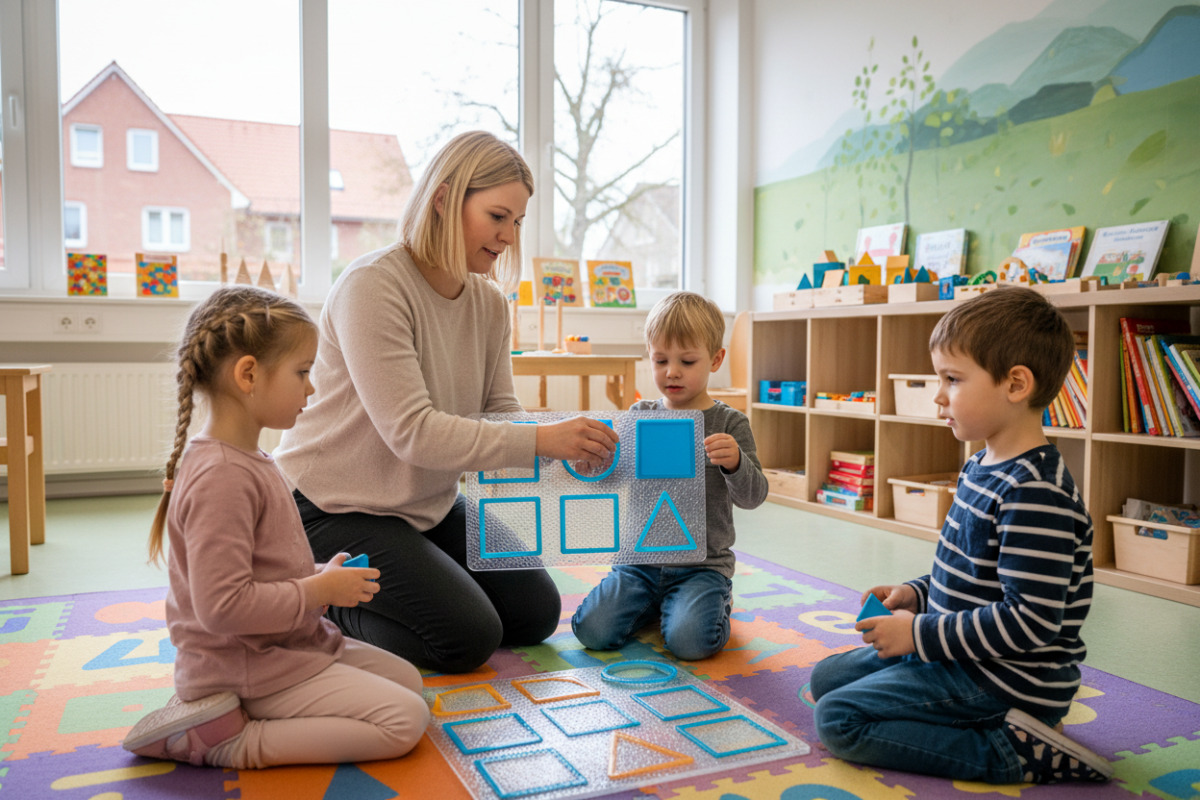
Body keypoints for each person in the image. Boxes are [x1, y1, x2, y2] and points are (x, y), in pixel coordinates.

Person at [274, 131, 618, 674]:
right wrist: (542, 438)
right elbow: (412, 432)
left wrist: (565, 443)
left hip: (424, 503)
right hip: (331, 505)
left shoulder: (487, 302)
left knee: (535, 613)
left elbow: (499, 411)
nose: (508, 236)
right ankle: (318, 602)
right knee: (465, 638)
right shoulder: (373, 286)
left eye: (517, 222)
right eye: (497, 216)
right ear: (444, 199)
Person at [809, 286, 1111, 784]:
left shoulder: (1035, 493)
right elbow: (969, 574)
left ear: (1015, 385)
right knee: (827, 679)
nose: (938, 395)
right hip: (959, 653)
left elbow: (1031, 623)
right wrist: (916, 593)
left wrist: (917, 635)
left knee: (839, 720)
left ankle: (1013, 751)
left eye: (952, 379)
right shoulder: (979, 466)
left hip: (1007, 682)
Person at [123, 285, 429, 768]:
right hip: (245, 667)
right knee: (404, 721)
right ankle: (226, 741)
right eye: (303, 372)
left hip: (289, 646)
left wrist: (320, 576)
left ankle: (247, 720)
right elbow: (222, 607)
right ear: (248, 374)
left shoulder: (250, 458)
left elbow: (261, 568)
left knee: (412, 684)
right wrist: (312, 591)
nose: (312, 387)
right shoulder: (220, 476)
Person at [571, 292, 769, 661]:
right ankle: (657, 606)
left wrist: (736, 463)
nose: (671, 371)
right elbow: (615, 480)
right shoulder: (639, 413)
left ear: (715, 359)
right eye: (660, 360)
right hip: (638, 564)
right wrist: (594, 468)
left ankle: (706, 605)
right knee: (591, 631)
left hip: (702, 567)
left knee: (690, 643)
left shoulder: (730, 423)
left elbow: (753, 496)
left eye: (687, 361)